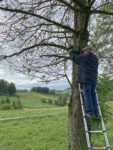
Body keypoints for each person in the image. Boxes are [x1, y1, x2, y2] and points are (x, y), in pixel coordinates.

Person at [69, 46, 100, 117]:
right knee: (93, 95)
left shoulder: (85, 57)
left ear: (88, 50)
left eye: (85, 51)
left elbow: (75, 58)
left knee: (87, 94)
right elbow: (81, 59)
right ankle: (96, 112)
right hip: (93, 79)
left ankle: (90, 112)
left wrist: (71, 52)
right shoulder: (95, 58)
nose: (84, 52)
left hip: (86, 79)